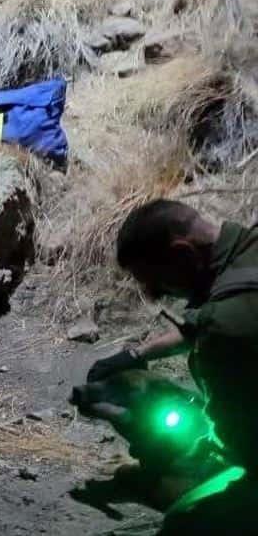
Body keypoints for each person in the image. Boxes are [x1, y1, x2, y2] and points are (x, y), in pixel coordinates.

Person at [85, 199, 258, 533]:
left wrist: (168, 444)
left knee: (184, 522)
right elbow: (203, 321)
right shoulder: (245, 253)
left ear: (183, 255)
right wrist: (136, 356)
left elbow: (239, 446)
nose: (153, 296)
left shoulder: (226, 325)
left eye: (159, 284)